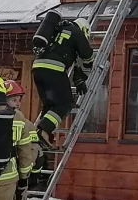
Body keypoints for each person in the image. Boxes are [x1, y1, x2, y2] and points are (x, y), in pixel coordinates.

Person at [31, 17, 95, 145]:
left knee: (50, 105)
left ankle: (34, 133)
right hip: (54, 69)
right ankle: (43, 131)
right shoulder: (76, 32)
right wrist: (89, 64)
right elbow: (86, 54)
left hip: (37, 68)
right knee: (64, 104)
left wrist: (77, 73)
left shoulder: (57, 29)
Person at [3, 80, 40, 200]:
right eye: (14, 99)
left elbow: (31, 150)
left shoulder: (23, 122)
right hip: (18, 176)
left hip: (14, 177)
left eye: (18, 100)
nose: (17, 103)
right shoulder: (20, 121)